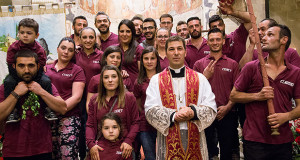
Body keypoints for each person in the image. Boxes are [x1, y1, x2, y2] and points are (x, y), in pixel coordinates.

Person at [230, 24, 300, 160]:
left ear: (284, 40)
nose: (263, 38)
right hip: (255, 141)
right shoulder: (251, 67)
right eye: (264, 34)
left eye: (270, 35)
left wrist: (286, 116)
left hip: (283, 141)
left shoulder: (295, 73)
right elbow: (233, 95)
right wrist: (258, 95)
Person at [145, 36, 217, 159]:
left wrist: (193, 112)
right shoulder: (156, 80)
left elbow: (211, 108)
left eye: (179, 48)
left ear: (185, 51)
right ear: (166, 53)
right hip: (168, 134)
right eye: (172, 49)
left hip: (195, 134)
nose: (176, 53)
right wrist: (173, 115)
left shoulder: (200, 78)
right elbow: (150, 110)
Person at [0, 49, 67, 159]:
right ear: (14, 67)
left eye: (31, 66)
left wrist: (41, 91)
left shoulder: (44, 85)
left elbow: (62, 108)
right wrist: (16, 93)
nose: (26, 70)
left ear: (38, 66)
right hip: (14, 151)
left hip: (42, 150)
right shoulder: (6, 87)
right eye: (21, 66)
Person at [194, 28, 240, 160]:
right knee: (208, 151)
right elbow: (193, 90)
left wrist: (228, 107)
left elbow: (237, 90)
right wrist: (204, 76)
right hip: (205, 114)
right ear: (207, 42)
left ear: (223, 41)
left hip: (227, 113)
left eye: (218, 39)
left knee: (227, 151)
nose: (215, 42)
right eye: (212, 40)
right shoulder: (199, 64)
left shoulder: (233, 64)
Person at [4, 18, 57, 123]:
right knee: (8, 82)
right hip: (16, 75)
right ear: (18, 33)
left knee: (46, 81)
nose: (25, 35)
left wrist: (33, 82)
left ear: (36, 35)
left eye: (29, 33)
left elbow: (41, 67)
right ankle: (12, 112)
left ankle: (48, 109)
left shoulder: (40, 50)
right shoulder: (13, 48)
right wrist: (20, 81)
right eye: (22, 32)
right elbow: (11, 65)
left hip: (35, 75)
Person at [86, 65, 139, 160]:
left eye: (114, 76)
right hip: (101, 148)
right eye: (106, 77)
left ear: (119, 79)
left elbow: (135, 123)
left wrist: (128, 141)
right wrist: (91, 144)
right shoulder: (95, 99)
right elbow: (89, 125)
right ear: (102, 80)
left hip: (123, 147)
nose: (110, 80)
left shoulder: (129, 98)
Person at [45, 37, 85, 159]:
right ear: (57, 49)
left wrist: (60, 108)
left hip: (69, 116)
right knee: (50, 154)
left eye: (70, 50)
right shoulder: (45, 69)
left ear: (73, 53)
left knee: (67, 155)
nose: (66, 52)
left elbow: (77, 97)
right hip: (47, 118)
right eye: (63, 48)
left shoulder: (77, 70)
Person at [75, 26, 103, 160]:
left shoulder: (101, 55)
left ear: (95, 38)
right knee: (81, 128)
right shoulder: (75, 54)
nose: (88, 40)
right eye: (84, 37)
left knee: (93, 127)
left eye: (91, 37)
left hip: (96, 98)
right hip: (78, 98)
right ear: (79, 39)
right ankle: (82, 155)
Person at [134, 46, 161, 160]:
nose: (149, 62)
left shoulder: (164, 78)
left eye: (152, 58)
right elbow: (138, 104)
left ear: (157, 60)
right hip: (145, 124)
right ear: (142, 61)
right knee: (150, 156)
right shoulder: (139, 82)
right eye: (146, 59)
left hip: (162, 123)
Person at [86, 45, 133, 112]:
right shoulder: (95, 79)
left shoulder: (125, 78)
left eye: (118, 58)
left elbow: (132, 103)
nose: (115, 60)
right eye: (112, 57)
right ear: (105, 58)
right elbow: (89, 104)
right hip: (101, 117)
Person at [118, 19, 144, 84]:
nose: (124, 34)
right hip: (118, 87)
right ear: (118, 32)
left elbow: (142, 74)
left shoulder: (139, 49)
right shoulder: (115, 49)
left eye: (128, 31)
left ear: (132, 33)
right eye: (122, 31)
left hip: (134, 86)